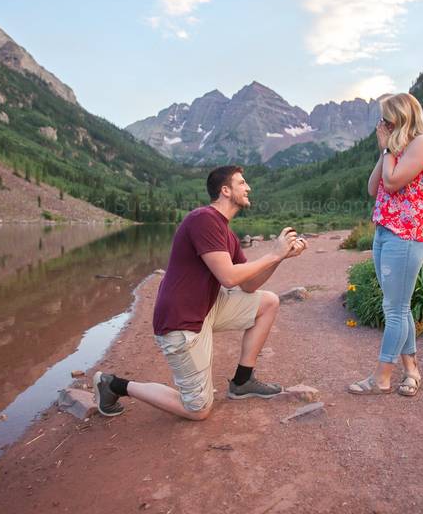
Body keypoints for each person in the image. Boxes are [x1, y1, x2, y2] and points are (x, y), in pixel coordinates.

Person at [93, 165, 307, 420]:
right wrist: (274, 252)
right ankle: (113, 384)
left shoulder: (226, 232)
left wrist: (280, 258)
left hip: (206, 308)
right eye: (242, 183)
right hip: (181, 322)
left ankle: (242, 381)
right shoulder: (203, 219)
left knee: (268, 302)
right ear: (225, 190)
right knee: (197, 409)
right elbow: (228, 277)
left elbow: (248, 285)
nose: (248, 187)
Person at [348, 93, 423, 397]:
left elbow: (392, 182)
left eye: (385, 118)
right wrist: (385, 149)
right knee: (397, 306)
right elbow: (373, 187)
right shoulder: (394, 147)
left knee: (396, 308)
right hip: (385, 233)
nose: (381, 124)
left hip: (407, 235)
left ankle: (383, 377)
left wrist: (388, 146)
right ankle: (411, 370)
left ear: (400, 117)